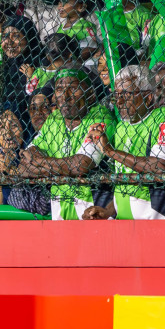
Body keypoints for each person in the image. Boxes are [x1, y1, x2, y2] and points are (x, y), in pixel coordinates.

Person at [14, 68, 115, 220]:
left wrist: (39, 162)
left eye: (73, 89)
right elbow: (23, 166)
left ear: (91, 94)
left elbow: (80, 165)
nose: (65, 96)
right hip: (60, 212)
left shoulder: (101, 116)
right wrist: (66, 168)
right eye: (60, 89)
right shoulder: (55, 119)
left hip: (94, 212)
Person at [85, 65, 165, 220]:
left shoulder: (162, 116)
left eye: (127, 95)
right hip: (124, 223)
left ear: (148, 97)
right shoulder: (121, 126)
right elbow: (125, 180)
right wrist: (108, 211)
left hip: (158, 220)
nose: (119, 101)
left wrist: (110, 151)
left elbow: (161, 166)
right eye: (117, 95)